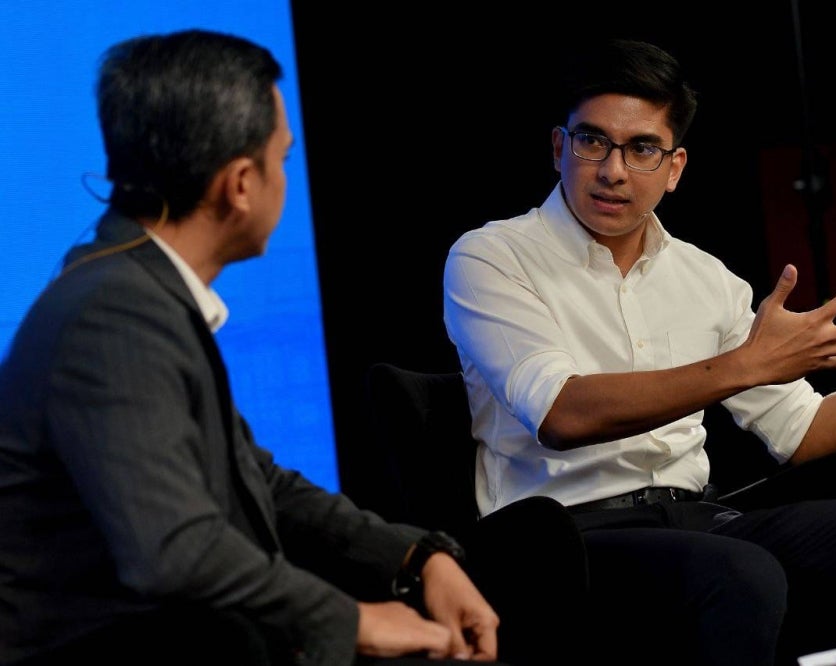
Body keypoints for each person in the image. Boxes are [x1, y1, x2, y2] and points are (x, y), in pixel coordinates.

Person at [443, 37, 836, 665]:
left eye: (641, 148)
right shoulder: (492, 257)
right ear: (557, 147)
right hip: (561, 542)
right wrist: (743, 366)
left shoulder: (706, 278)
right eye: (592, 141)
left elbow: (806, 435)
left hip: (698, 519)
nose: (612, 170)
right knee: (738, 573)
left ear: (674, 167)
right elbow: (561, 413)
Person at [0, 29, 505, 666]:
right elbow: (176, 551)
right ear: (241, 183)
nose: (285, 178)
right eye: (282, 157)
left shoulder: (135, 292)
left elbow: (255, 479)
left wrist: (417, 557)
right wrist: (355, 621)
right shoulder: (113, 316)